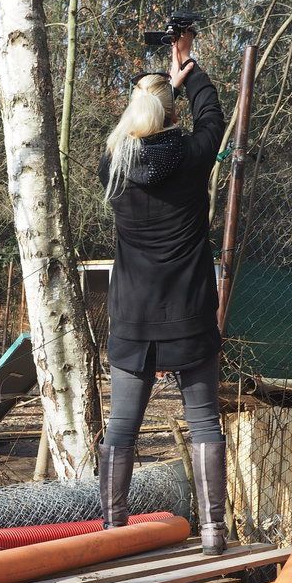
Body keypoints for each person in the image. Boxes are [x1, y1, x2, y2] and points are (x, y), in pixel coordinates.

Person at [97, 27, 227, 554]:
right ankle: (214, 533)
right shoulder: (194, 156)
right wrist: (188, 70)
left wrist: (154, 94)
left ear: (132, 114)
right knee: (203, 423)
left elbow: (130, 136)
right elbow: (213, 119)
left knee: (122, 427)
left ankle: (112, 529)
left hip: (132, 319)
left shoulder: (112, 169)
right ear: (173, 115)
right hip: (190, 314)